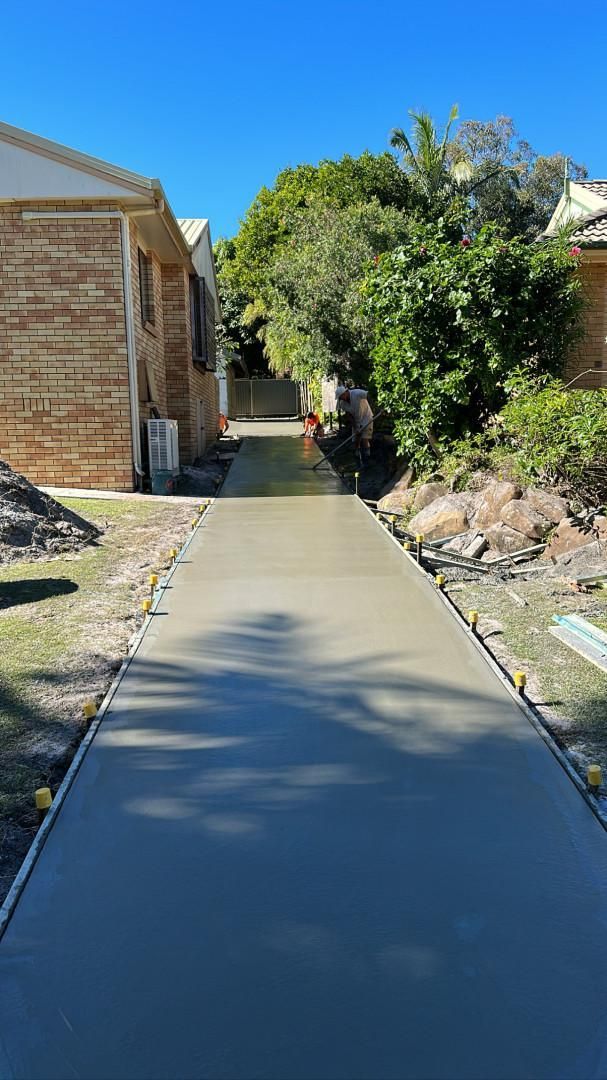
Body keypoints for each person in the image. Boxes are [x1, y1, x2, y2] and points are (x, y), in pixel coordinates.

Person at [335, 386, 373, 464]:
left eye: (341, 397)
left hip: (366, 417)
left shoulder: (357, 393)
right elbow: (349, 415)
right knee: (356, 439)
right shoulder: (342, 403)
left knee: (364, 438)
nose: (341, 399)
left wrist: (372, 406)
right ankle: (357, 456)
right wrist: (355, 427)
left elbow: (369, 395)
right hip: (356, 420)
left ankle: (367, 457)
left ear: (345, 393)